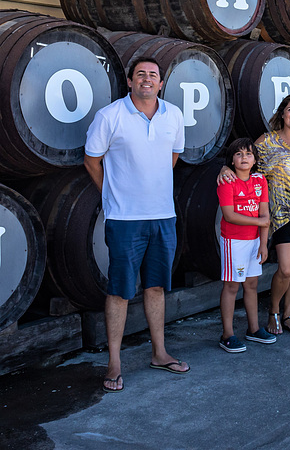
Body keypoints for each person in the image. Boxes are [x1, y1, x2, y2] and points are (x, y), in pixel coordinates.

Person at [84, 56, 190, 394]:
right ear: (129, 82)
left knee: (156, 287)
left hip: (162, 215)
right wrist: (112, 194)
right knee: (119, 290)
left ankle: (159, 353)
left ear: (161, 84)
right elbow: (92, 160)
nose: (147, 79)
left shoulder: (173, 115)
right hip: (124, 218)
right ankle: (114, 361)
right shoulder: (110, 116)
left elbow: (173, 157)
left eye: (153, 75)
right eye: (140, 74)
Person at [218, 93, 290, 336]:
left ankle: (288, 315)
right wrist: (226, 166)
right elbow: (242, 156)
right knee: (286, 268)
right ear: (282, 113)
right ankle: (273, 312)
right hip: (282, 215)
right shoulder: (267, 142)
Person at [217, 138, 275, 352]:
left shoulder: (260, 181)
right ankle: (227, 334)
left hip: (254, 242)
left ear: (255, 160)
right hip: (234, 241)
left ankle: (253, 329)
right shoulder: (227, 181)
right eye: (239, 154)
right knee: (232, 286)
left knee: (251, 285)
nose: (243, 158)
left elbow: (265, 213)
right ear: (231, 160)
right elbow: (229, 215)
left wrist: (264, 242)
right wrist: (259, 222)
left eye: (248, 154)